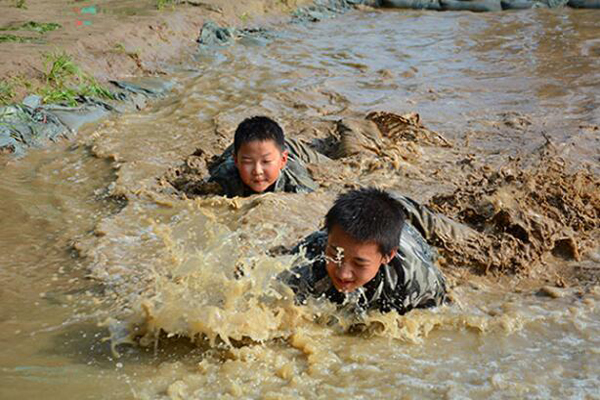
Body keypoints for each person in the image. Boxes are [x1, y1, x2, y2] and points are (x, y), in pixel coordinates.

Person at [278, 187, 450, 316]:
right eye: (335, 255)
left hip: (410, 229)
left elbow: (436, 313)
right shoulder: (308, 256)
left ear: (387, 257)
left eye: (359, 263)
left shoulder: (416, 279)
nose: (343, 273)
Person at [208, 116, 329, 197]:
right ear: (236, 161)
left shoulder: (297, 181)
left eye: (265, 162)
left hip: (292, 149)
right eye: (248, 162)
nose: (257, 171)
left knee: (331, 161)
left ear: (283, 160)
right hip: (244, 148)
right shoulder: (223, 177)